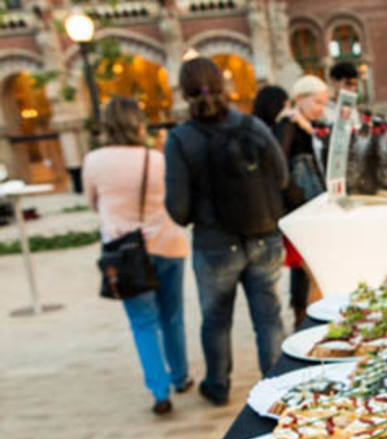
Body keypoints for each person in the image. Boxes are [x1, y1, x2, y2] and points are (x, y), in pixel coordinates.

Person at [164, 57, 289, 405]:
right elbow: (281, 177)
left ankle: (218, 385)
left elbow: (177, 209)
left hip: (215, 244)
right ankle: (277, 388)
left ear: (184, 91)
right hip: (264, 237)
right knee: (268, 317)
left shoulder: (180, 139)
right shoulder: (252, 126)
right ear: (223, 84)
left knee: (216, 319)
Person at [84, 97, 190, 414]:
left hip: (124, 253)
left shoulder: (93, 161)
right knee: (172, 316)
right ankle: (181, 376)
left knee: (143, 322)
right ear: (139, 123)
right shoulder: (156, 159)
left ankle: (160, 392)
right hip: (167, 244)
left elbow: (93, 204)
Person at [274, 76, 330, 328]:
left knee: (312, 265)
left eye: (323, 102)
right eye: (316, 101)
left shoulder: (313, 125)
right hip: (299, 208)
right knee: (303, 268)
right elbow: (279, 165)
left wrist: (309, 128)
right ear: (300, 98)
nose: (321, 107)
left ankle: (309, 318)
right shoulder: (286, 125)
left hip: (314, 204)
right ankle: (303, 321)